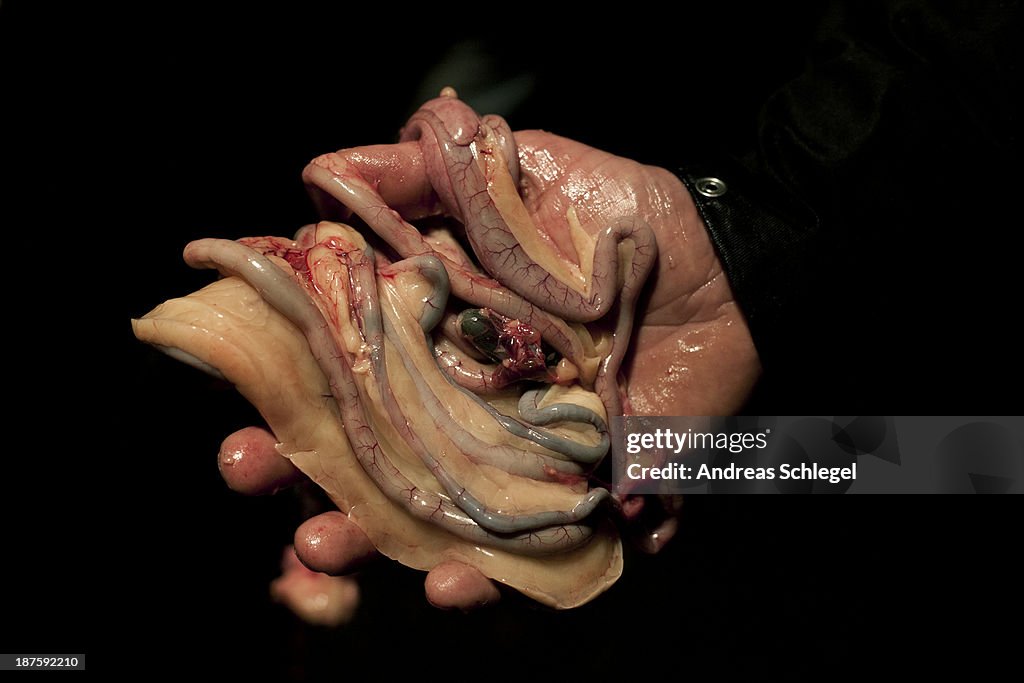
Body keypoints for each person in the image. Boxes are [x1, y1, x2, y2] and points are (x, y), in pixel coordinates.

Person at [202, 0, 1020, 610]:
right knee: (892, 465)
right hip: (874, 371)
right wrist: (762, 235)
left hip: (923, 366)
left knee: (931, 468)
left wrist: (759, 235)